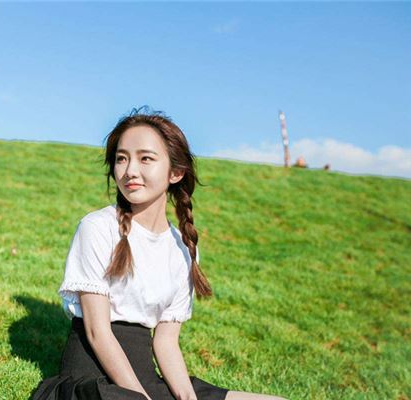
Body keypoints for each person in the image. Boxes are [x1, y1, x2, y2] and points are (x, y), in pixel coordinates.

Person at [30, 106, 288, 400]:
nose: (130, 171)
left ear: (176, 172)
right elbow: (97, 333)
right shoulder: (97, 227)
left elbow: (166, 344)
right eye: (122, 158)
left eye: (146, 159)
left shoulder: (183, 249)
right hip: (92, 381)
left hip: (145, 380)